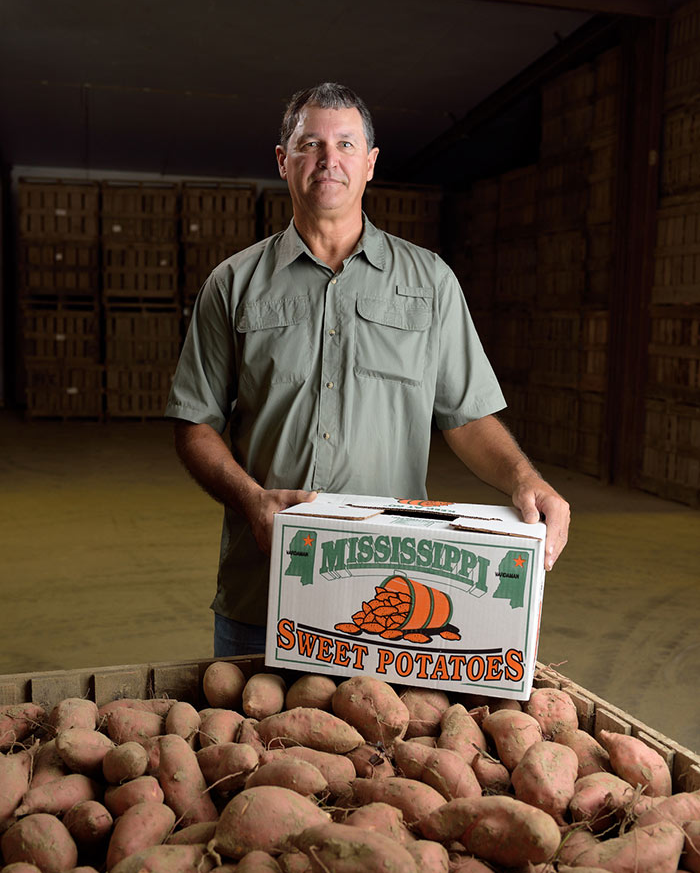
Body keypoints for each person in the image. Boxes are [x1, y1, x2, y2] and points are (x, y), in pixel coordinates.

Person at [165, 82, 570, 657]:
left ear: (371, 163)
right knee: (251, 741)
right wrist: (252, 499)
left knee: (380, 744)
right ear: (284, 161)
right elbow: (194, 424)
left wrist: (524, 480)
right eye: (311, 143)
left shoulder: (430, 282)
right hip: (266, 582)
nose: (329, 159)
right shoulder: (233, 284)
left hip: (390, 601)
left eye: (346, 144)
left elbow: (467, 418)